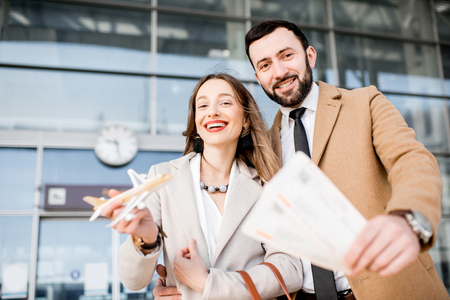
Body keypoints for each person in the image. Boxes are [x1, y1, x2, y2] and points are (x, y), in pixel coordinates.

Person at [244, 19, 448, 300]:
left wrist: (407, 219)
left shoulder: (365, 103)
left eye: (286, 55)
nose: (279, 72)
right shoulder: (264, 147)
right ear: (258, 77)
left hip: (390, 289)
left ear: (310, 56)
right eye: (265, 65)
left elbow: (412, 161)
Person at [101, 73, 303, 299]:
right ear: (196, 122)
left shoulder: (266, 183)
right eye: (203, 105)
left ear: (246, 119)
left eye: (225, 102)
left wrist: (209, 284)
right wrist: (146, 240)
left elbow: (289, 269)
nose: (212, 111)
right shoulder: (163, 177)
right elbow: (133, 281)